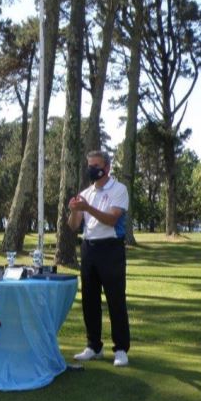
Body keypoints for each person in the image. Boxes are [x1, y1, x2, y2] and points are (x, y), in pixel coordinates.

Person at [67, 150, 131, 367]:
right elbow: (74, 226)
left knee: (115, 299)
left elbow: (112, 220)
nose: (91, 169)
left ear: (107, 167)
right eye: (89, 165)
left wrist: (87, 207)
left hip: (111, 248)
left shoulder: (119, 190)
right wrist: (75, 209)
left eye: (96, 165)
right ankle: (94, 345)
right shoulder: (85, 193)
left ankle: (121, 348)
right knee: (89, 300)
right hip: (89, 248)